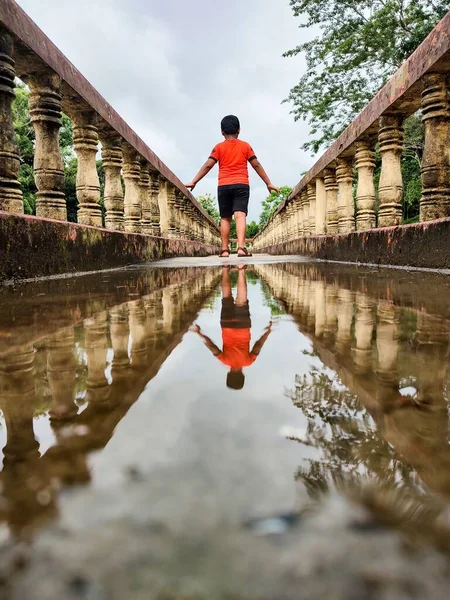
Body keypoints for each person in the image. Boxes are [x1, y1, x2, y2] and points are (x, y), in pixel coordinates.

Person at [185, 115, 280, 258]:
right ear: (239, 130)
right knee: (240, 216)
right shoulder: (245, 146)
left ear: (222, 132)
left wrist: (194, 181)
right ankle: (241, 248)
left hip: (224, 185)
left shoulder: (218, 148)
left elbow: (208, 165)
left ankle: (224, 250)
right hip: (241, 184)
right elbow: (256, 164)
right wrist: (268, 182)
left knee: (225, 218)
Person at [191, 266, 272, 390]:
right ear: (228, 375)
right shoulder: (225, 360)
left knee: (242, 301)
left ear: (242, 376)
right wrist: (199, 333)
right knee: (226, 297)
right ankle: (224, 270)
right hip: (227, 325)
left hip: (243, 327)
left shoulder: (248, 362)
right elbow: (212, 347)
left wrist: (268, 331)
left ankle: (241, 271)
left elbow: (258, 345)